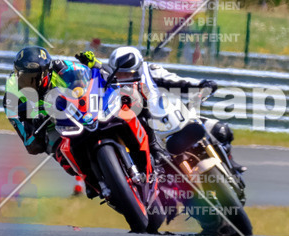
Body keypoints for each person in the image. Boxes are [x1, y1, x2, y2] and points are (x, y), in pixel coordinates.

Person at [75, 46, 245, 173]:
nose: (125, 78)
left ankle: (229, 165)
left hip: (173, 122)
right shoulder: (110, 84)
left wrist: (201, 85)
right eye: (121, 74)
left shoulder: (151, 72)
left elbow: (178, 82)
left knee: (221, 131)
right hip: (149, 141)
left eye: (129, 74)